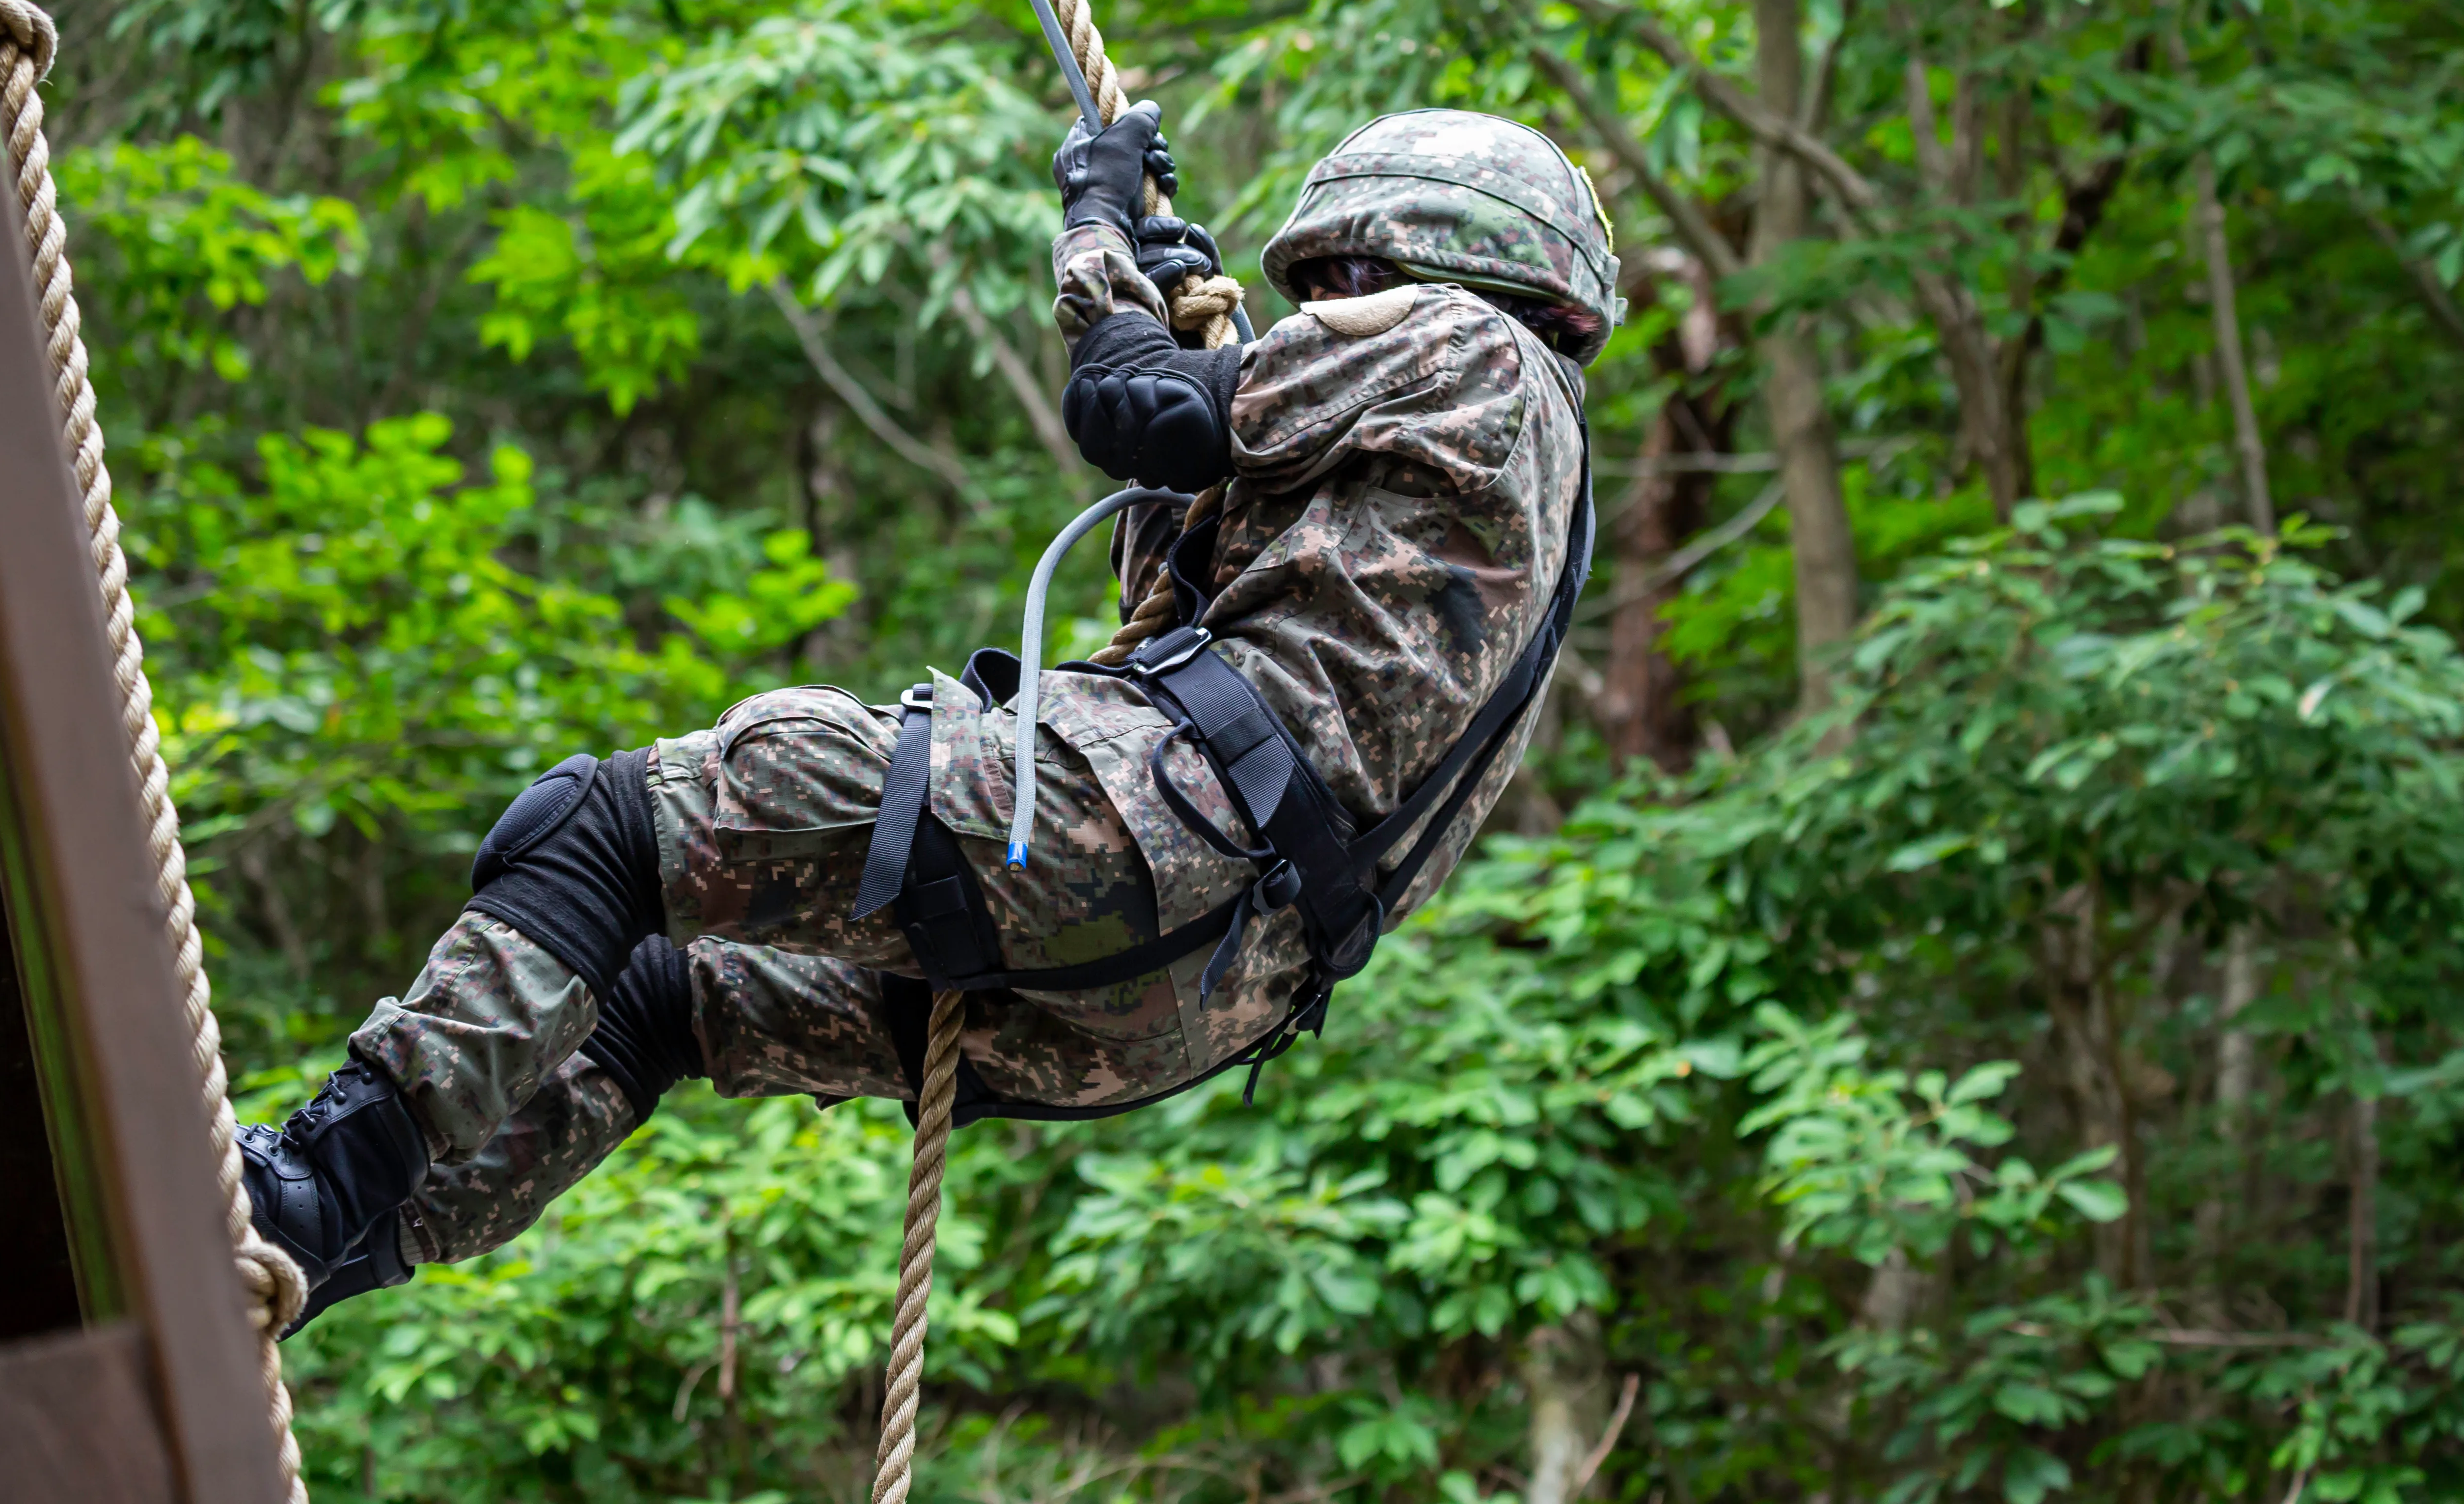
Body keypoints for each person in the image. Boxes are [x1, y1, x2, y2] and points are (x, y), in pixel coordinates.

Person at [238, 105, 1618, 1328]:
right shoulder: (1510, 470)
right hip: (1187, 996)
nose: (1324, 313)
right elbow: (1177, 562)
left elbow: (1132, 408)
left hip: (1139, 837)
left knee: (608, 826)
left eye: (1341, 285)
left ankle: (310, 1184)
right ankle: (321, 1262)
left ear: (1444, 261)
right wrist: (1174, 299)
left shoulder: (1469, 344)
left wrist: (1095, 233)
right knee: (664, 993)